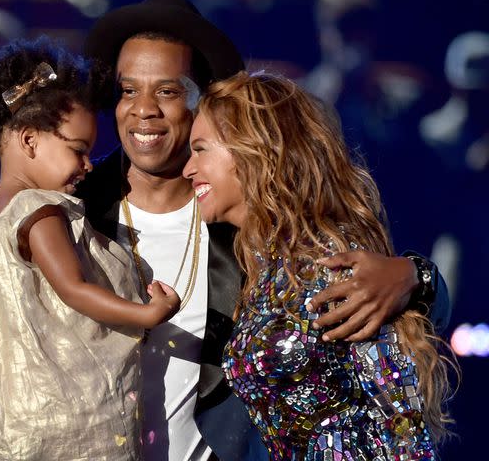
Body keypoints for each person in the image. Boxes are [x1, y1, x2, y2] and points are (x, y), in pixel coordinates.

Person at [81, 0, 451, 461]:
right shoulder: (77, 213)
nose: (143, 109)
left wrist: (416, 275)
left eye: (168, 90)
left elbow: (398, 358)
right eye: (128, 89)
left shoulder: (248, 226)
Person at [0, 37, 180, 461]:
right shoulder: (38, 211)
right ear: (29, 141)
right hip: (55, 395)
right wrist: (144, 314)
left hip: (6, 399)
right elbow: (73, 289)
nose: (88, 165)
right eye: (78, 150)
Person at [183, 70, 455, 459]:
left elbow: (400, 417)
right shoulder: (267, 262)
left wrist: (417, 275)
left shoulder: (333, 257)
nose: (187, 168)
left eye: (201, 149)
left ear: (252, 150)